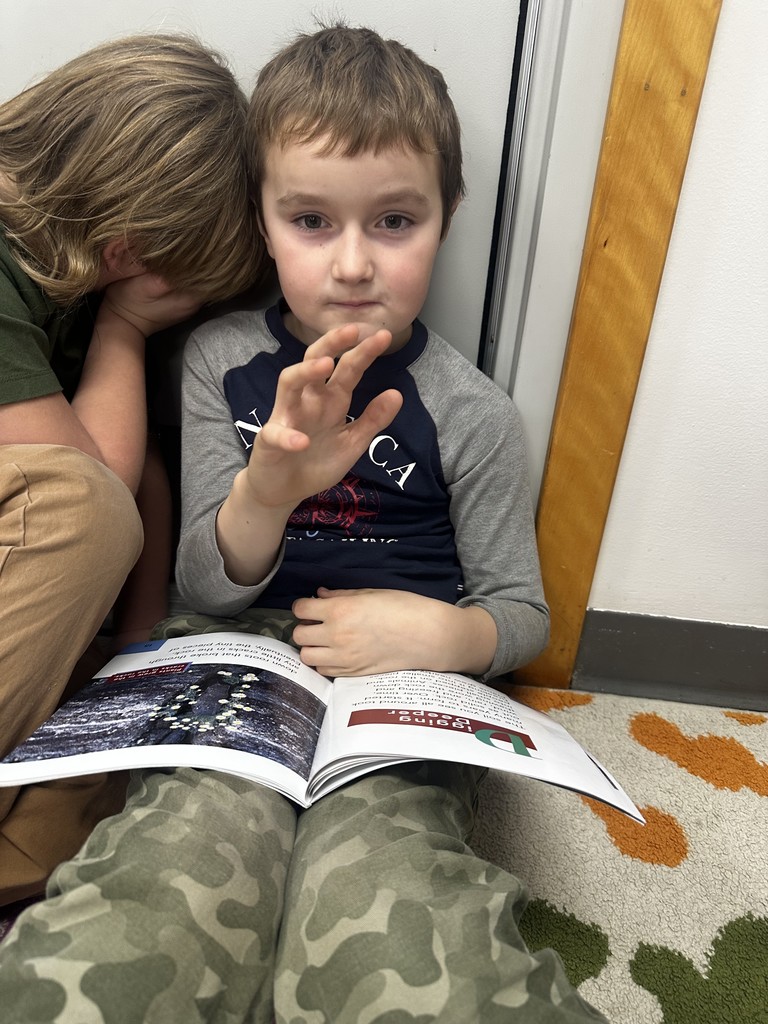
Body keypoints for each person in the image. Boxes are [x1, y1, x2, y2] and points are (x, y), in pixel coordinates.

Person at [0, 25, 608, 1024]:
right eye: (313, 221)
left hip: (399, 689)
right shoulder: (214, 362)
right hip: (234, 661)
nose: (356, 264)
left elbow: (520, 610)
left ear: (446, 218)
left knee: (392, 907)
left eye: (397, 221)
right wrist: (267, 489)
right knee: (171, 872)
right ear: (264, 223)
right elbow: (200, 580)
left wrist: (449, 633)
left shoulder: (477, 415)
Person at [0, 33, 266, 905]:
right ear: (126, 253)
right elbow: (87, 492)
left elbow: (145, 470)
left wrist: (138, 655)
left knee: (94, 798)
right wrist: (125, 330)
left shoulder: (62, 293)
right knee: (82, 508)